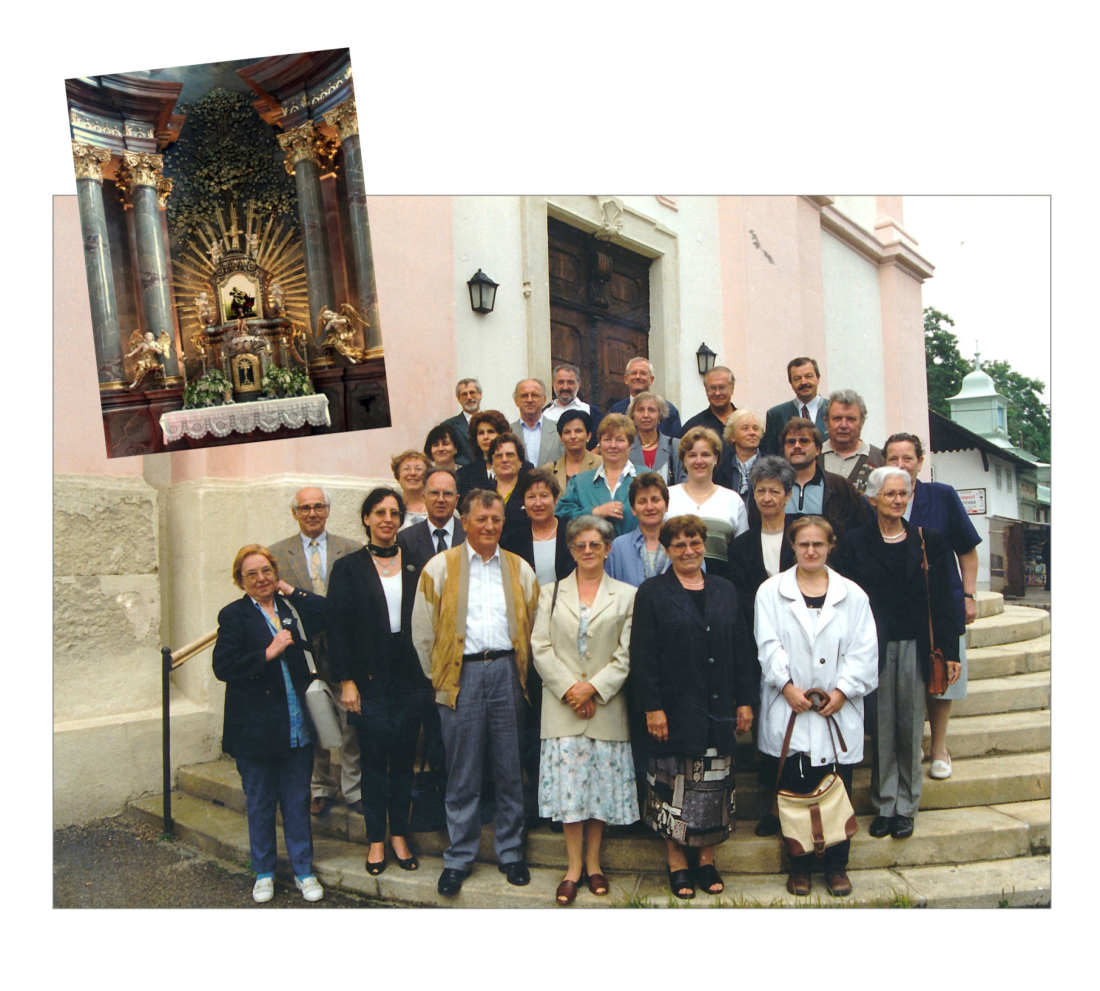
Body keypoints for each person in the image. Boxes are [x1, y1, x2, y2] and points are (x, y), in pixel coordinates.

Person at [411, 490, 541, 897]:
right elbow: (422, 632)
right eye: (481, 519)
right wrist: (440, 679)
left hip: (506, 672)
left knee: (508, 768)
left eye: (496, 520)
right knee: (463, 771)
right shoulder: (440, 567)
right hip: (459, 676)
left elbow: (535, 626)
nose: (489, 526)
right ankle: (459, 857)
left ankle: (511, 852)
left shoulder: (520, 569)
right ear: (463, 521)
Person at [629, 515, 758, 898]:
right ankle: (677, 862)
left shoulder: (725, 589)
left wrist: (746, 700)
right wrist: (653, 708)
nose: (688, 550)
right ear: (667, 550)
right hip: (673, 709)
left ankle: (706, 859)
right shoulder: (652, 592)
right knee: (674, 787)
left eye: (695, 542)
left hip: (718, 706)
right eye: (679, 544)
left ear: (705, 545)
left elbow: (742, 650)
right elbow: (643, 656)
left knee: (713, 786)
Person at [753, 516, 878, 897]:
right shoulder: (771, 592)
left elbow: (864, 649)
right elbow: (767, 644)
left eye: (818, 545)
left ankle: (837, 866)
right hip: (789, 707)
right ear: (792, 546)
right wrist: (787, 686)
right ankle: (800, 866)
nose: (810, 551)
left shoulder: (852, 595)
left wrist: (842, 691)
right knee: (794, 791)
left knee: (837, 789)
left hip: (835, 712)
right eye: (803, 544)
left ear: (830, 546)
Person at [837, 467, 959, 841]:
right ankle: (884, 803)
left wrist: (949, 650)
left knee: (909, 726)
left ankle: (906, 807)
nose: (896, 500)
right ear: (873, 499)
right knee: (881, 727)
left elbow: (943, 598)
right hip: (871, 646)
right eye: (888, 494)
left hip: (915, 644)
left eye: (902, 494)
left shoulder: (929, 540)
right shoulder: (854, 542)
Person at [530, 515, 638, 904]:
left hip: (607, 706)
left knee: (600, 791)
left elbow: (627, 654)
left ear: (608, 549)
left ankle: (595, 864)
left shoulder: (627, 595)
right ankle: (572, 867)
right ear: (571, 550)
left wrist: (593, 688)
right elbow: (540, 647)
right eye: (580, 545)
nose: (588, 551)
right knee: (571, 793)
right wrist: (571, 690)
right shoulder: (551, 593)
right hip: (563, 709)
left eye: (596, 545)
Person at [212, 545, 327, 903]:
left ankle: (303, 871)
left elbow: (326, 613)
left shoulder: (288, 609)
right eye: (252, 574)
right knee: (260, 801)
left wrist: (291, 590)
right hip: (256, 730)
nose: (261, 579)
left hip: (296, 725)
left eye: (267, 571)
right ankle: (263, 871)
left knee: (296, 800)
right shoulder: (233, 616)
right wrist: (268, 652)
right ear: (240, 580)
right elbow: (224, 667)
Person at [327, 489, 432, 875]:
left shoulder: (418, 563)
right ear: (367, 519)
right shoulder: (348, 567)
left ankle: (400, 835)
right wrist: (347, 682)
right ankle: (375, 839)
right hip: (368, 678)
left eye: (394, 512)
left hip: (410, 675)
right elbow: (337, 629)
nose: (387, 519)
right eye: (379, 512)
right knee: (373, 761)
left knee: (404, 760)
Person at [883, 432, 981, 781]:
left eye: (907, 458)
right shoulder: (880, 499)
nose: (900, 464)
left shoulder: (941, 496)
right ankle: (909, 746)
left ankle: (939, 747)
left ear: (920, 462)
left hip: (941, 601)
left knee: (942, 674)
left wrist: (968, 595)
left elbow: (967, 550)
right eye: (892, 458)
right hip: (901, 609)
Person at [269, 487, 362, 818]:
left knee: (350, 719)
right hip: (302, 650)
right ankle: (319, 787)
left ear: (328, 510)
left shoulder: (350, 549)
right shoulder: (276, 554)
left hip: (342, 646)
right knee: (313, 715)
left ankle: (354, 787)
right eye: (305, 508)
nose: (312, 513)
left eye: (318, 507)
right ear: (294, 513)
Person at [502, 468, 578, 826]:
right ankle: (537, 801)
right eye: (530, 496)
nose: (537, 502)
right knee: (533, 721)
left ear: (555, 498)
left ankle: (567, 799)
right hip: (525, 634)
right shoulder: (513, 536)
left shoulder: (571, 534)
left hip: (567, 632)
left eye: (544, 495)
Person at [666, 426, 749, 579]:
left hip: (720, 587)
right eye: (692, 455)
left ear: (716, 459)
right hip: (673, 588)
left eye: (705, 454)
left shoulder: (732, 500)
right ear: (683, 459)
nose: (699, 461)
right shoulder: (668, 497)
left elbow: (742, 554)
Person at [776, 418, 870, 541]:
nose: (797, 446)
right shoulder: (773, 488)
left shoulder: (840, 487)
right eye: (791, 442)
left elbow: (862, 531)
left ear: (818, 449)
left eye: (804, 441)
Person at [555, 413, 640, 537]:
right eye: (607, 440)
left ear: (630, 444)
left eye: (620, 440)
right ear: (599, 443)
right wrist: (595, 512)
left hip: (636, 553)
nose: (613, 445)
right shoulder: (579, 482)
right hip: (590, 553)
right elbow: (562, 514)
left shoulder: (646, 477)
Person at [606, 472, 673, 587]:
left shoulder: (683, 544)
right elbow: (609, 590)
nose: (650, 507)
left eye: (655, 500)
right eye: (642, 501)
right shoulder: (619, 547)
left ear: (666, 505)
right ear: (633, 509)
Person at [760, 356, 828, 456]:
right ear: (791, 383)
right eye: (797, 378)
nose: (804, 382)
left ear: (818, 379)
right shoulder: (776, 415)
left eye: (809, 376)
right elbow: (770, 454)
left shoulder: (833, 410)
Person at [821, 389, 884, 493]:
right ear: (826, 422)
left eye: (851, 419)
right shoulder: (813, 457)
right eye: (837, 418)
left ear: (862, 423)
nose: (843, 425)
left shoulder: (879, 459)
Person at [397, 467, 466, 561]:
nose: (441, 499)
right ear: (424, 498)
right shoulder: (406, 539)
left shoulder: (471, 535)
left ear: (456, 500)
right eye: (434, 493)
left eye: (447, 494)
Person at [607, 356, 683, 437]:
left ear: (651, 379)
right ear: (626, 379)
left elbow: (677, 444)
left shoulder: (668, 410)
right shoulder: (615, 410)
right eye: (633, 373)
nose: (638, 377)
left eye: (643, 373)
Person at [627, 391, 685, 485]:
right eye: (640, 410)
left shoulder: (675, 446)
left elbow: (684, 484)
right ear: (633, 416)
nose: (646, 415)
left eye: (651, 410)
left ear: (660, 416)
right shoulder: (626, 448)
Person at [680, 365, 738, 459]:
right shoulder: (692, 426)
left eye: (722, 387)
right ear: (706, 391)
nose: (717, 393)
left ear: (732, 389)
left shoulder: (745, 423)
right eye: (712, 388)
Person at [542, 363, 603, 445]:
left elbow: (601, 442)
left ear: (579, 385)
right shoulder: (544, 413)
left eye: (570, 382)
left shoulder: (592, 412)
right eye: (560, 382)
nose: (565, 387)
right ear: (553, 385)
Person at [486, 432, 534, 536]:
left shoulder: (530, 492)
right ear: (491, 463)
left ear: (520, 461)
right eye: (498, 456)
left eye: (510, 455)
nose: (504, 460)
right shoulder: (483, 493)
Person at [455, 409, 511, 497]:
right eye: (481, 433)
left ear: (501, 435)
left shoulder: (522, 468)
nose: (485, 437)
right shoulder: (464, 474)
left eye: (490, 431)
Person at [510, 377, 563, 468]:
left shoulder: (559, 430)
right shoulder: (508, 431)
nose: (529, 400)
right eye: (524, 396)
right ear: (516, 401)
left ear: (544, 400)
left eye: (535, 395)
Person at [545, 409, 600, 492]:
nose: (573, 436)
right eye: (567, 432)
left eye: (578, 431)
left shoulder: (602, 465)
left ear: (588, 435)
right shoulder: (549, 470)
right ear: (561, 438)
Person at [716, 409, 764, 498]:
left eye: (755, 428)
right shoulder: (720, 468)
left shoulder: (772, 467)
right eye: (745, 428)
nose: (752, 433)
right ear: (732, 436)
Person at [441, 377, 483, 464]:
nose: (469, 397)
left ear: (480, 395)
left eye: (472, 393)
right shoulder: (448, 426)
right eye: (464, 394)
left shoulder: (493, 422)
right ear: (458, 399)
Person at [391, 450, 431, 529]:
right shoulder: (392, 507)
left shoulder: (436, 507)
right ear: (397, 475)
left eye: (418, 469)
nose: (413, 473)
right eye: (406, 469)